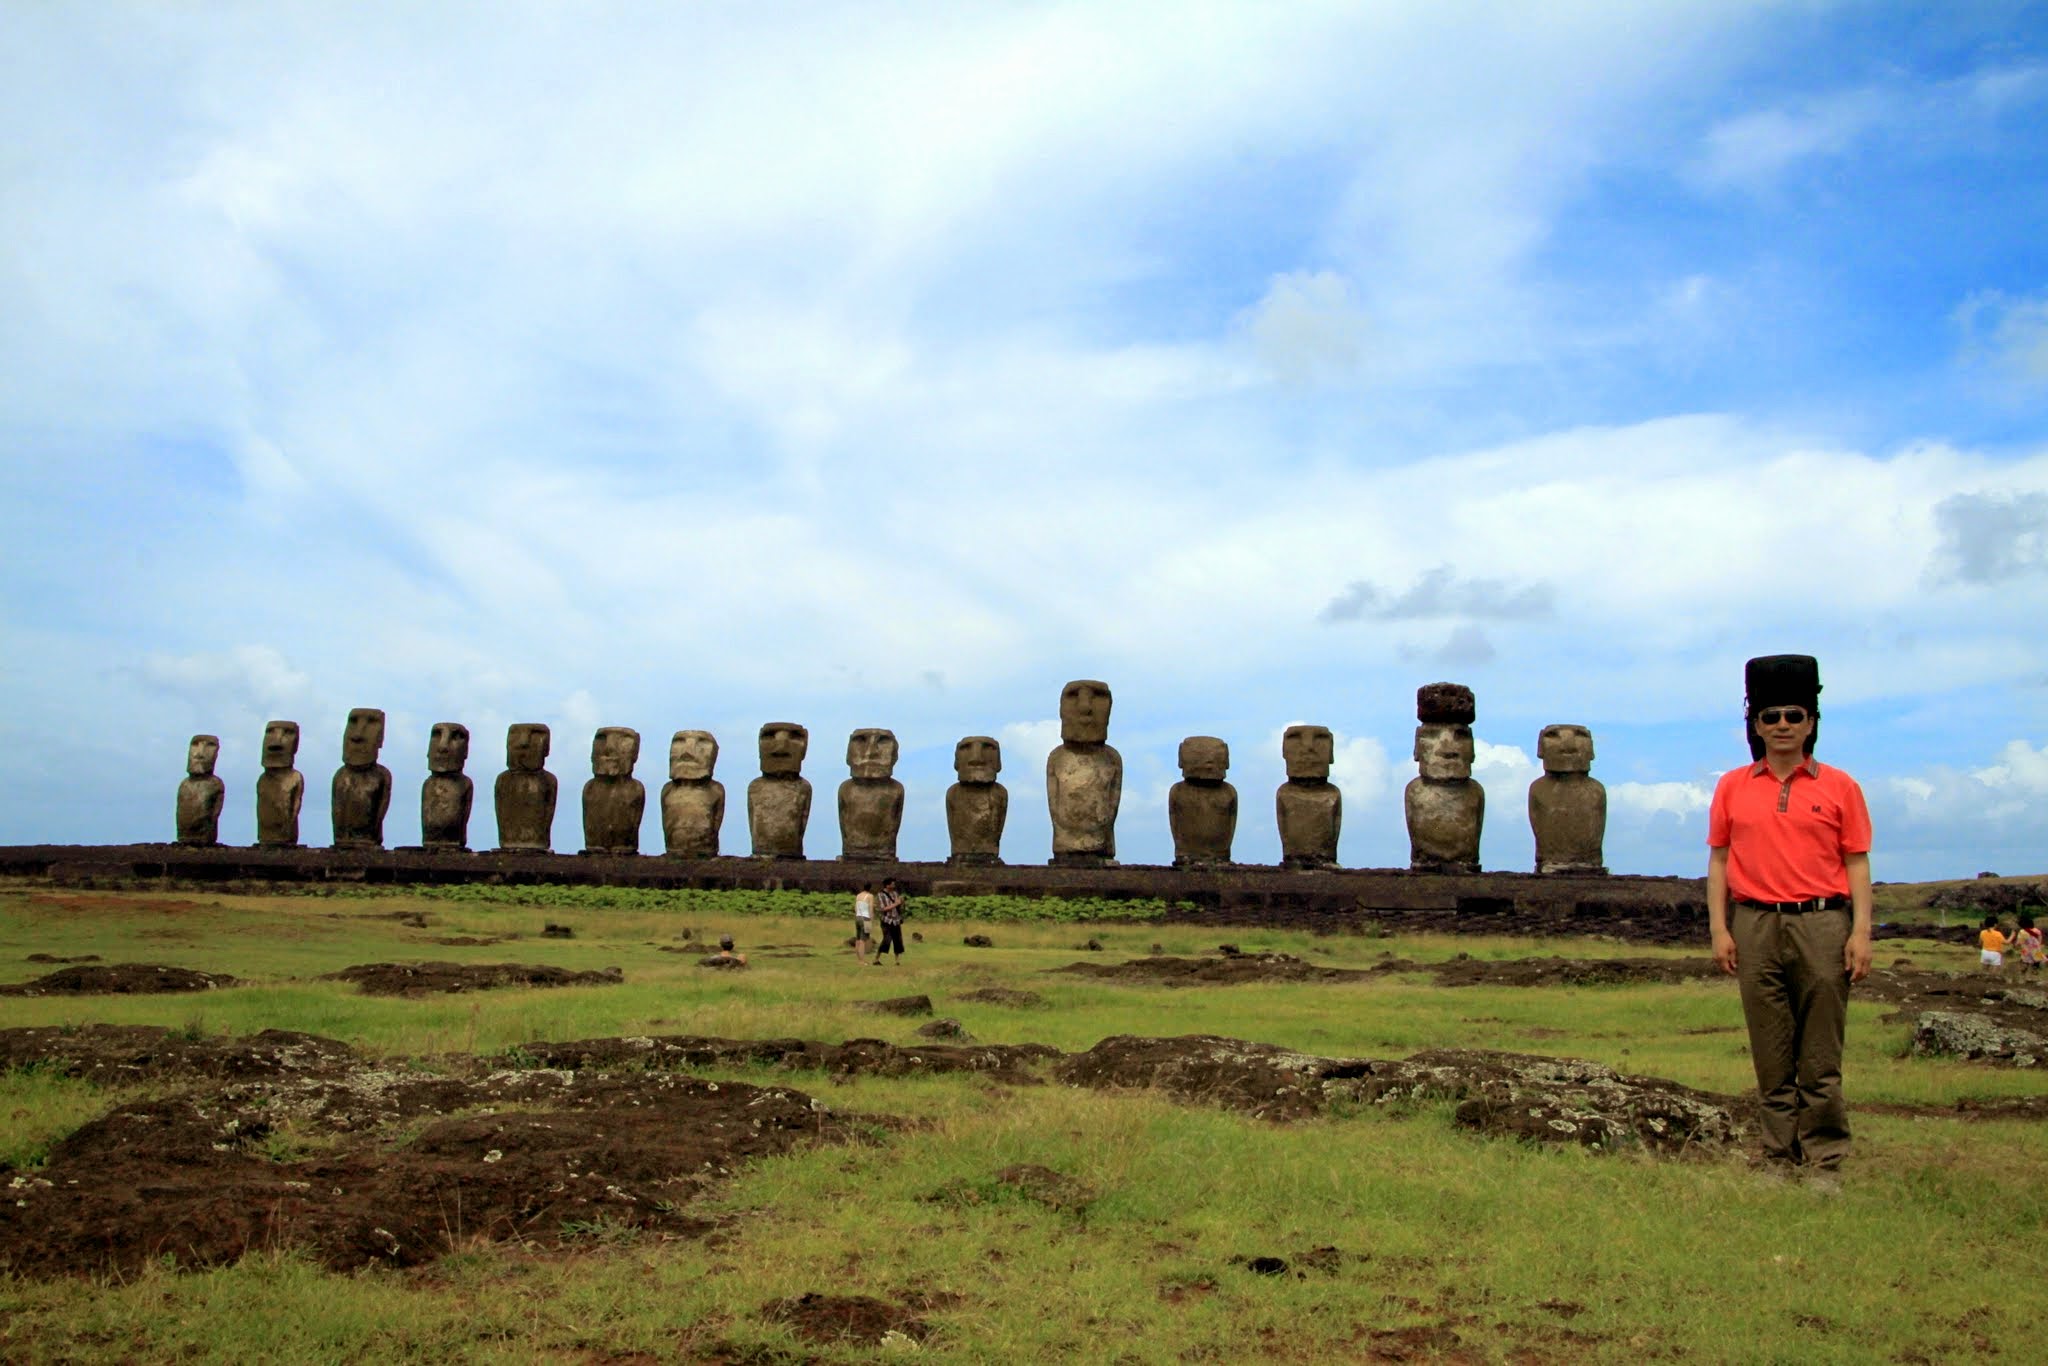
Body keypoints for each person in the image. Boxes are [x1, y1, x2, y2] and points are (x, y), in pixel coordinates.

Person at [1706, 655, 1872, 1178]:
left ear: (1812, 722)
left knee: (1820, 1051)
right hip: (1754, 923)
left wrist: (1862, 931)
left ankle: (1826, 1158)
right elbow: (1719, 858)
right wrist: (1719, 927)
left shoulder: (1840, 785)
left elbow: (1856, 861)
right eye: (1770, 716)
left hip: (1823, 922)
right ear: (1755, 725)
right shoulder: (1733, 785)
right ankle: (1778, 1155)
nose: (1782, 726)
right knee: (1771, 1050)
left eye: (1793, 715)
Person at [875, 877, 907, 965]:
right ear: (887, 885)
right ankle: (876, 959)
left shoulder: (895, 894)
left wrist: (901, 903)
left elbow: (899, 907)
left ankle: (897, 960)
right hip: (886, 920)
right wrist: (895, 904)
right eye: (892, 884)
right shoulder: (880, 895)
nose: (894, 885)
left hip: (896, 920)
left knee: (897, 940)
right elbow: (883, 909)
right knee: (887, 939)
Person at [852, 883, 876, 965]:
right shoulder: (870, 896)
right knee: (863, 940)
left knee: (858, 939)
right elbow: (870, 908)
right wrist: (871, 920)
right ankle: (862, 961)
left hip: (858, 917)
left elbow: (855, 907)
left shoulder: (858, 895)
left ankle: (858, 959)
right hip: (865, 918)